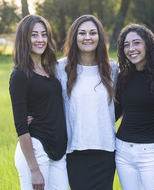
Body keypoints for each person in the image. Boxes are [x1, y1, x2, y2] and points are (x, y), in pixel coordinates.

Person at [56, 15, 119, 190]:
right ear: (74, 37)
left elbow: (123, 104)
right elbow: (45, 98)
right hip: (74, 150)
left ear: (100, 37)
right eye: (82, 33)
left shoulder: (112, 68)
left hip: (106, 150)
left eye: (93, 32)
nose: (88, 37)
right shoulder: (60, 68)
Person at [115, 24, 154, 190]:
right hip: (123, 153)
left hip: (152, 154)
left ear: (147, 45)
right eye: (126, 45)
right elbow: (113, 114)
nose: (131, 49)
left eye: (136, 43)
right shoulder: (123, 77)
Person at [9, 15, 68, 190]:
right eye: (34, 35)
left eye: (44, 34)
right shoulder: (19, 75)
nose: (40, 39)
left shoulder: (50, 70)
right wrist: (34, 169)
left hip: (57, 151)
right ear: (24, 38)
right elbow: (21, 126)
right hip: (36, 150)